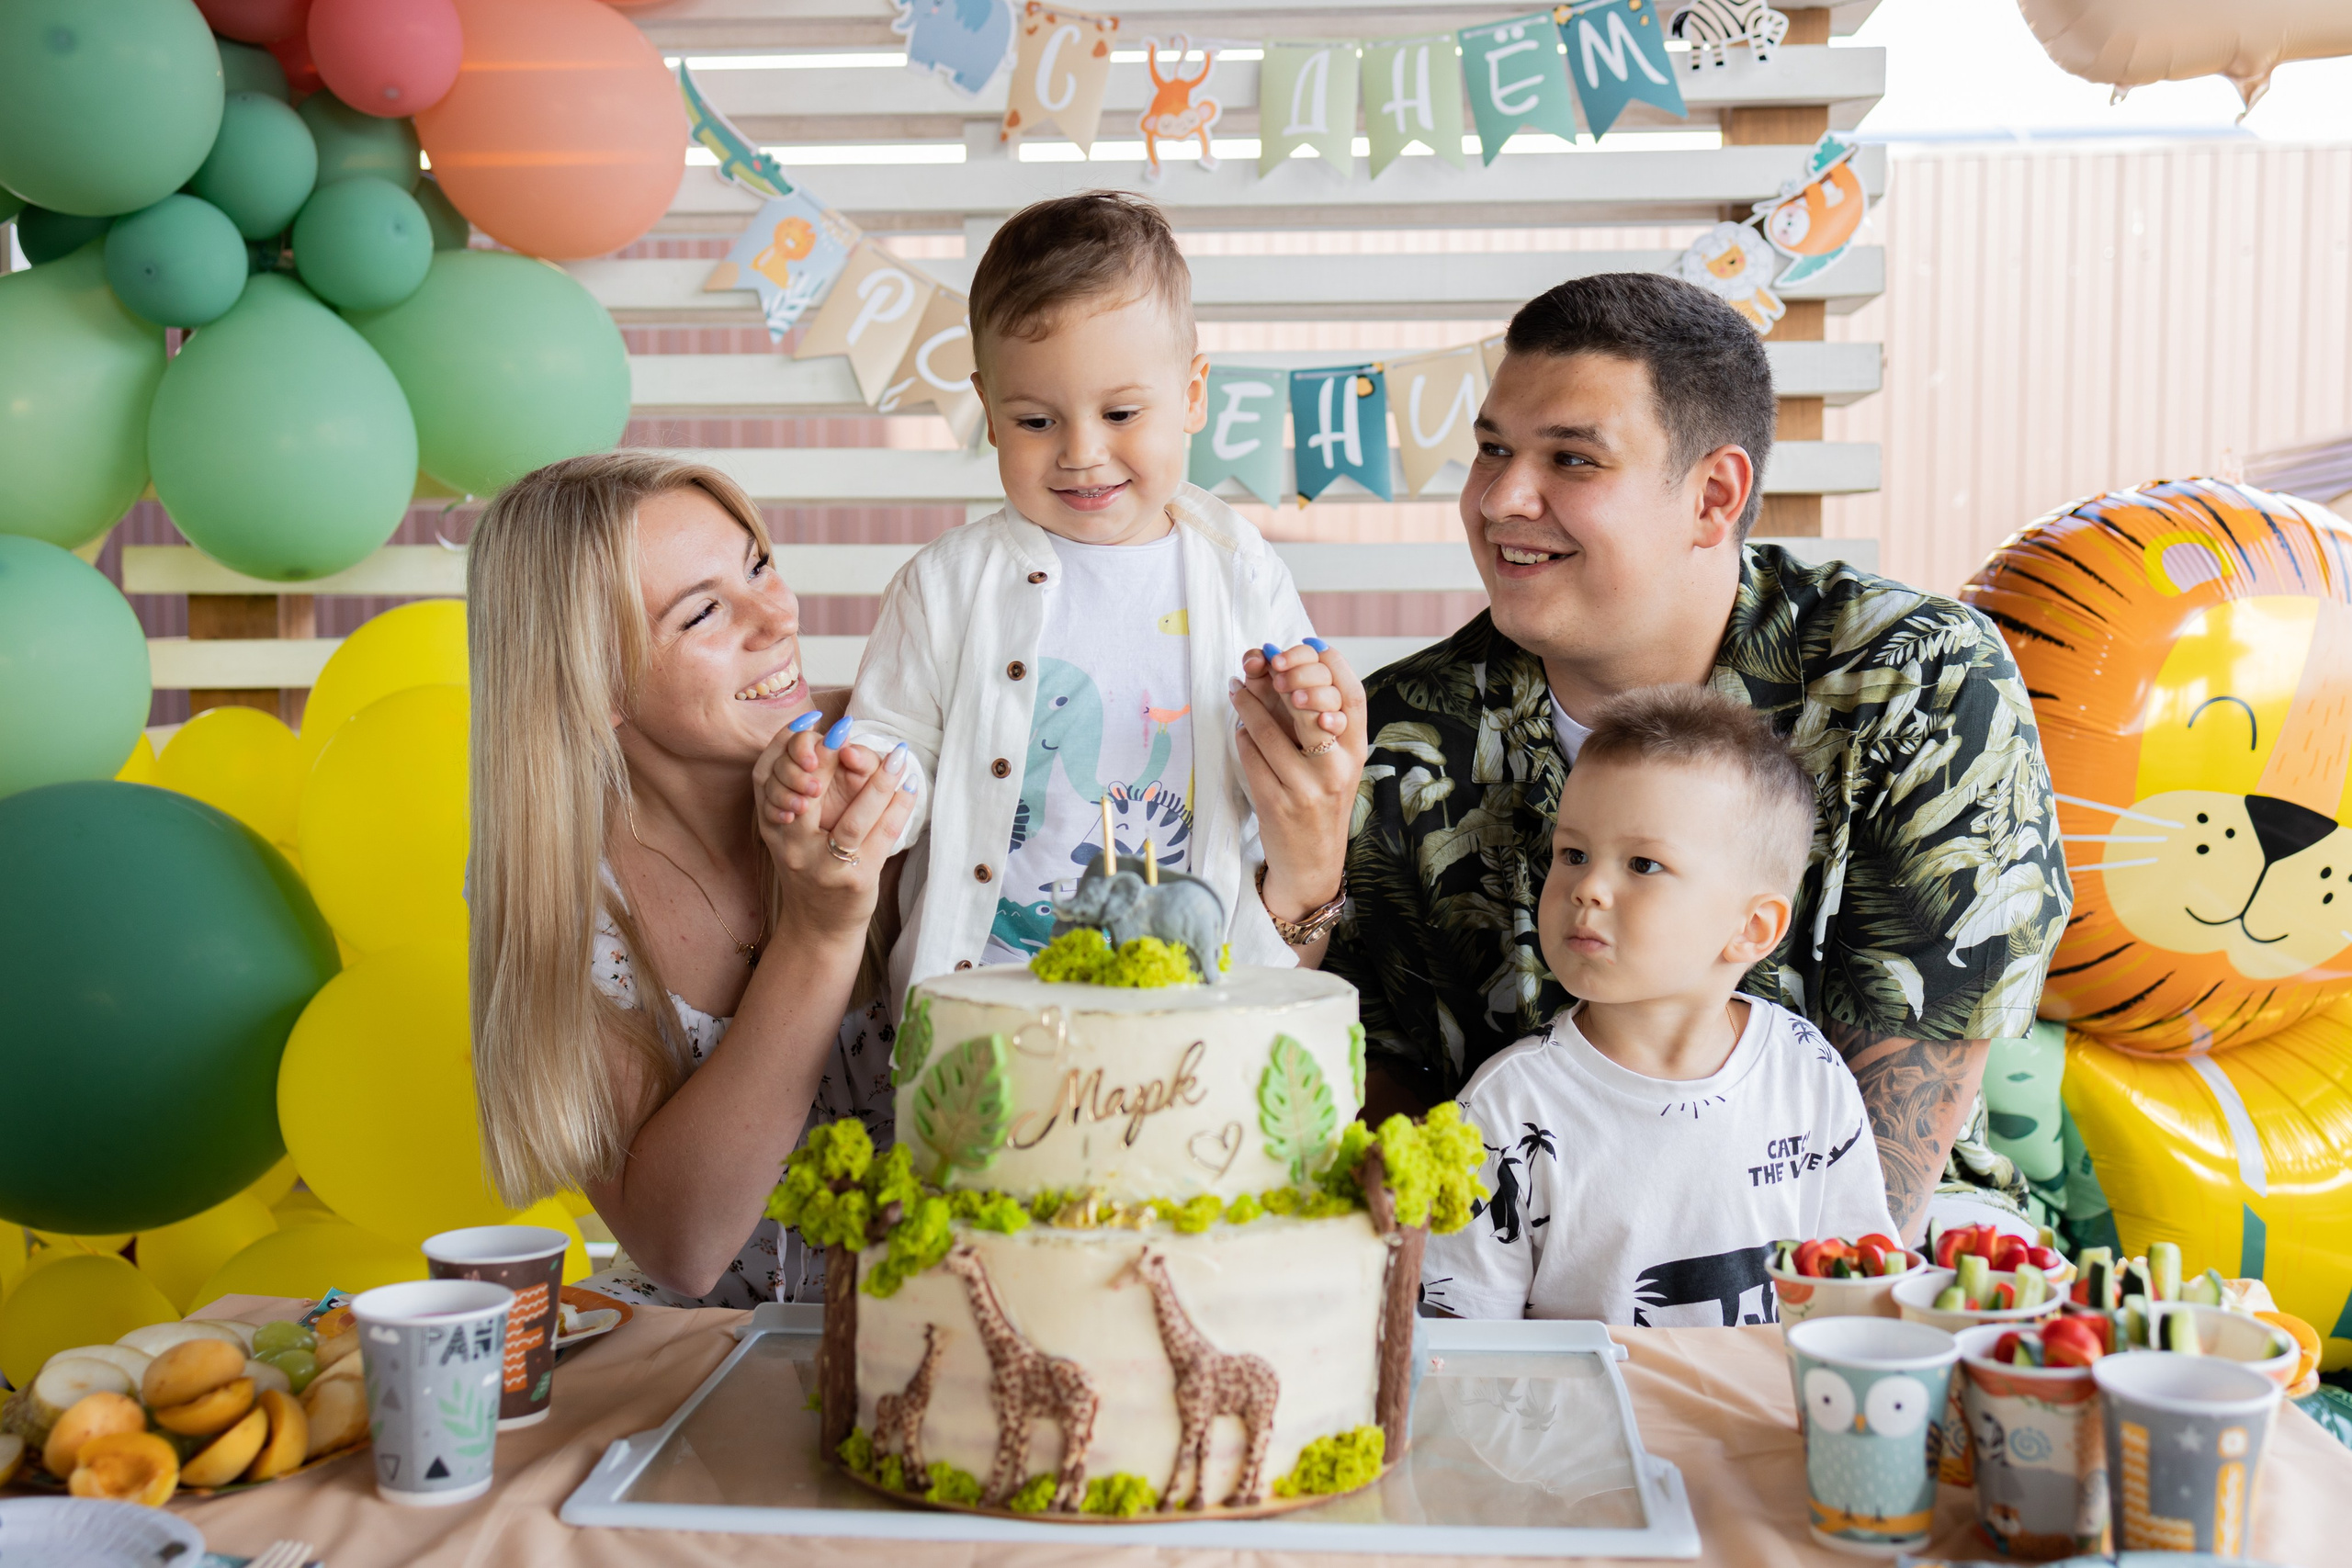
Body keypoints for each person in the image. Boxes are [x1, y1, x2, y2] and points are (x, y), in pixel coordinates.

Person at [1285, 272, 2072, 1243]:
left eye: (1571, 460)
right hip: (1515, 1258)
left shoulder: (1913, 685)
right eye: (1491, 449)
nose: (1498, 498)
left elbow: (1888, 1164)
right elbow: (1375, 1088)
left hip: (1861, 1263)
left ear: (1713, 495)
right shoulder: (1403, 737)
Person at [769, 192, 1357, 995]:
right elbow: (898, 749)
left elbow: (1291, 749)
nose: (1082, 452)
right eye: (1037, 421)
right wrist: (863, 780)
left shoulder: (1239, 568)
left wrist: (1307, 702)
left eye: (1120, 412)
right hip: (989, 995)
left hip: (1192, 998)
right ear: (987, 408)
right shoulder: (945, 585)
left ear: (1191, 394)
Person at [466, 451, 916, 1307]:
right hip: (700, 1373)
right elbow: (683, 1247)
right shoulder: (562, 892)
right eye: (703, 612)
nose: (775, 618)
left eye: (758, 566)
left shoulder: (901, 767)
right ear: (593, 686)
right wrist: (820, 932)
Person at [1419, 686, 1897, 1325]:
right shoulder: (1509, 1107)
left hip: (1778, 1415)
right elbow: (1464, 1345)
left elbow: (1859, 1293)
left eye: (1643, 863)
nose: (1588, 887)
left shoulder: (1806, 1072)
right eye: (1573, 854)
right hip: (1585, 1425)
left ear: (1752, 928)